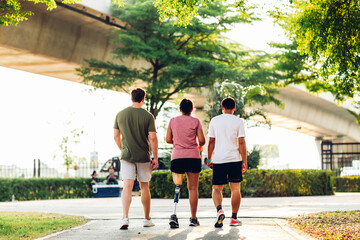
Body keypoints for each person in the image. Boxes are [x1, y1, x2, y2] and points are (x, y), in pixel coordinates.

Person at [114, 88, 158, 230]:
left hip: (127, 156)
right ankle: (146, 219)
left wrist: (123, 149)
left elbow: (116, 136)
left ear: (131, 98)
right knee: (144, 186)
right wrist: (155, 157)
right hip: (143, 156)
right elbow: (153, 138)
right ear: (143, 99)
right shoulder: (148, 116)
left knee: (127, 186)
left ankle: (125, 218)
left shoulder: (120, 114)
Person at [207, 97, 247, 228]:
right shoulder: (238, 121)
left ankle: (219, 210)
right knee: (235, 189)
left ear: (222, 107)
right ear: (234, 108)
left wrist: (209, 158)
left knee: (216, 188)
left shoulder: (215, 120)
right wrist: (244, 161)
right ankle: (234, 218)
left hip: (218, 159)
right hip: (235, 159)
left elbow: (211, 142)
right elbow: (241, 142)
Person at [166, 98, 205, 228]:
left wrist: (177, 142)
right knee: (193, 188)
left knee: (178, 186)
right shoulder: (196, 121)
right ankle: (193, 219)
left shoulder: (173, 121)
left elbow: (167, 139)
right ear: (192, 110)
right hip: (193, 156)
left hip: (177, 157)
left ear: (180, 109)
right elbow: (202, 140)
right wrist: (198, 145)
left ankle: (174, 215)